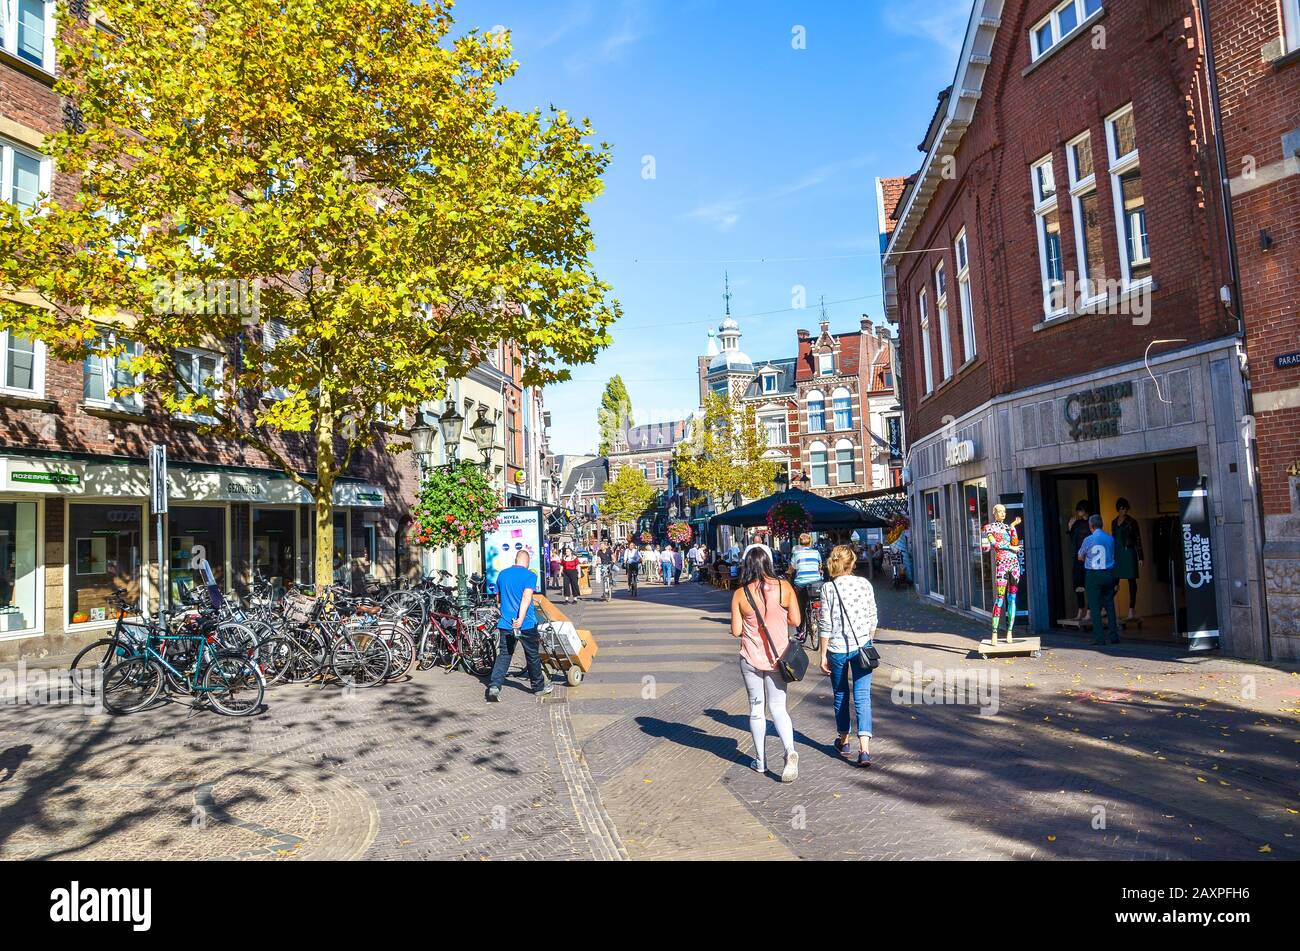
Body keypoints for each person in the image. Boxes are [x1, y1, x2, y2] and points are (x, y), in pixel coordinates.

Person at [730, 547, 801, 782]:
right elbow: (796, 621)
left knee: (756, 708)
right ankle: (790, 750)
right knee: (779, 707)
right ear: (769, 562)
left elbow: (736, 631)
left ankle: (760, 761)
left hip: (751, 657)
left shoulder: (740, 594)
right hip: (778, 657)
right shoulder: (785, 587)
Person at [818, 545, 878, 767]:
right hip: (862, 645)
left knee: (841, 694)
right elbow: (873, 616)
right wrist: (868, 640)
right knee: (862, 696)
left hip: (837, 649)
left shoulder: (828, 588)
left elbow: (825, 623)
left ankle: (844, 741)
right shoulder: (864, 584)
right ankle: (865, 750)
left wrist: (822, 654)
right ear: (852, 563)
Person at [487, 550, 551, 701]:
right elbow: (526, 597)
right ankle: (538, 687)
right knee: (532, 655)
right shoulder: (530, 576)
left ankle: (494, 686)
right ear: (527, 562)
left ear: (515, 560)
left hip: (506, 622)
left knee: (504, 655)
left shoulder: (502, 574)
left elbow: (498, 597)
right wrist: (520, 618)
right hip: (526, 623)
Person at [1078, 514, 1120, 645]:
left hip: (1093, 574)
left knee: (1095, 606)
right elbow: (1112, 555)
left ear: (1091, 526)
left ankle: (1099, 637)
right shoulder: (1110, 538)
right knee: (1109, 604)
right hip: (1108, 573)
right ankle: (1114, 636)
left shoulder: (1088, 540)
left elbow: (1080, 556)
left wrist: (1087, 559)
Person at [983, 505, 1023, 643]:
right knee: (1000, 598)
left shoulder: (1007, 527)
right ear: (994, 513)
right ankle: (994, 631)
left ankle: (1010, 632)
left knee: (1012, 598)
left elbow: (1016, 542)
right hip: (1002, 565)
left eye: (1004, 512)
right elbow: (995, 545)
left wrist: (1012, 526)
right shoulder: (989, 527)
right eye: (1000, 511)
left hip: (1014, 564)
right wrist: (1011, 547)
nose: (1003, 514)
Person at [1111, 498, 1144, 622]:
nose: (1123, 511)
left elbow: (1137, 539)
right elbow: (1113, 538)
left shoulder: (1132, 522)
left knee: (1131, 580)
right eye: (1121, 508)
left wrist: (1140, 556)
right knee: (1114, 579)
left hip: (1129, 551)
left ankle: (1131, 609)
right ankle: (1106, 605)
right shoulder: (1114, 522)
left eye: (1125, 508)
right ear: (1118, 509)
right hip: (1118, 553)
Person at [788, 532, 824, 636]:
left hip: (801, 584)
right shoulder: (816, 553)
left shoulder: (796, 554)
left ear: (799, 543)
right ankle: (817, 614)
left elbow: (792, 568)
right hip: (816, 583)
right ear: (810, 543)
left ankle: (800, 630)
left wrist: (788, 573)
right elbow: (820, 566)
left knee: (800, 605)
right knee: (817, 600)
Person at [1066, 501, 1092, 623]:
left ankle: (1090, 611)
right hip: (1078, 555)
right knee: (1078, 583)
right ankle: (1081, 609)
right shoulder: (1077, 523)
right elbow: (1073, 540)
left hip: (1089, 556)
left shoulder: (1091, 522)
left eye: (1080, 510)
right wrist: (1070, 528)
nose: (1078, 513)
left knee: (1089, 584)